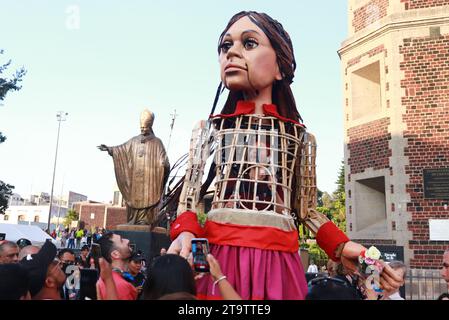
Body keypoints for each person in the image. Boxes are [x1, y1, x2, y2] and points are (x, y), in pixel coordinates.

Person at [167, 10, 405, 300]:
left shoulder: (301, 138)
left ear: (280, 66)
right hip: (220, 259)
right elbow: (188, 200)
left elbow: (305, 211)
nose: (232, 53)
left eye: (249, 43)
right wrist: (186, 231)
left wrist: (342, 246)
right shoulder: (208, 130)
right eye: (225, 46)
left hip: (278, 262)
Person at [98, 109, 170, 225]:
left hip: (149, 182)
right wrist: (110, 149)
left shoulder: (157, 142)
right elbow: (122, 149)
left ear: (150, 126)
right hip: (135, 179)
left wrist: (163, 164)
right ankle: (133, 219)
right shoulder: (134, 141)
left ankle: (145, 220)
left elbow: (163, 159)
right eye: (141, 127)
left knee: (148, 200)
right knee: (134, 198)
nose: (142, 129)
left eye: (145, 128)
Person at [96, 232, 137, 300]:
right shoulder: (121, 286)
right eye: (121, 240)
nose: (127, 240)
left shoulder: (106, 280)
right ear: (115, 254)